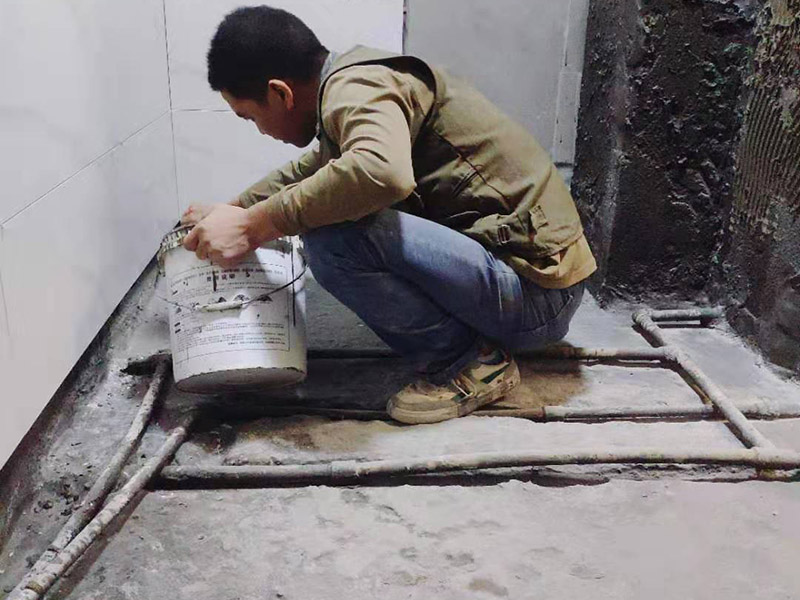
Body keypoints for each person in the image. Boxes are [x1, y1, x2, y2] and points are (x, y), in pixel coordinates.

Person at [181, 5, 597, 424]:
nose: (260, 130)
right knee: (330, 206)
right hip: (531, 282)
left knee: (333, 237)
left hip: (537, 296)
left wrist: (253, 226)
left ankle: (469, 364)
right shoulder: (353, 82)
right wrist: (235, 209)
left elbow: (381, 172)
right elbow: (314, 169)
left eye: (251, 117)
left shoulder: (355, 88)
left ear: (280, 93)